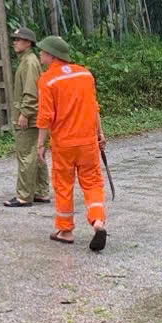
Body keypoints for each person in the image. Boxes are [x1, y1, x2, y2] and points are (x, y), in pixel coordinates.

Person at [34, 36, 108, 252]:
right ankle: (98, 222)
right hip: (87, 143)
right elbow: (94, 107)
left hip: (64, 145)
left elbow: (45, 116)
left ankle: (65, 230)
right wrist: (100, 134)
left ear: (51, 55)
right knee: (93, 183)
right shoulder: (85, 74)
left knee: (63, 185)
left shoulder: (47, 80)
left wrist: (40, 144)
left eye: (42, 51)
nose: (40, 54)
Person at [3, 27, 50, 207]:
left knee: (25, 155)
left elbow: (31, 92)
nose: (15, 42)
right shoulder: (28, 61)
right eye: (14, 39)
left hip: (28, 116)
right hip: (32, 115)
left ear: (28, 42)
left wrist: (25, 112)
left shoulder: (29, 62)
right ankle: (41, 191)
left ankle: (24, 196)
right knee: (35, 153)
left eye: (19, 39)